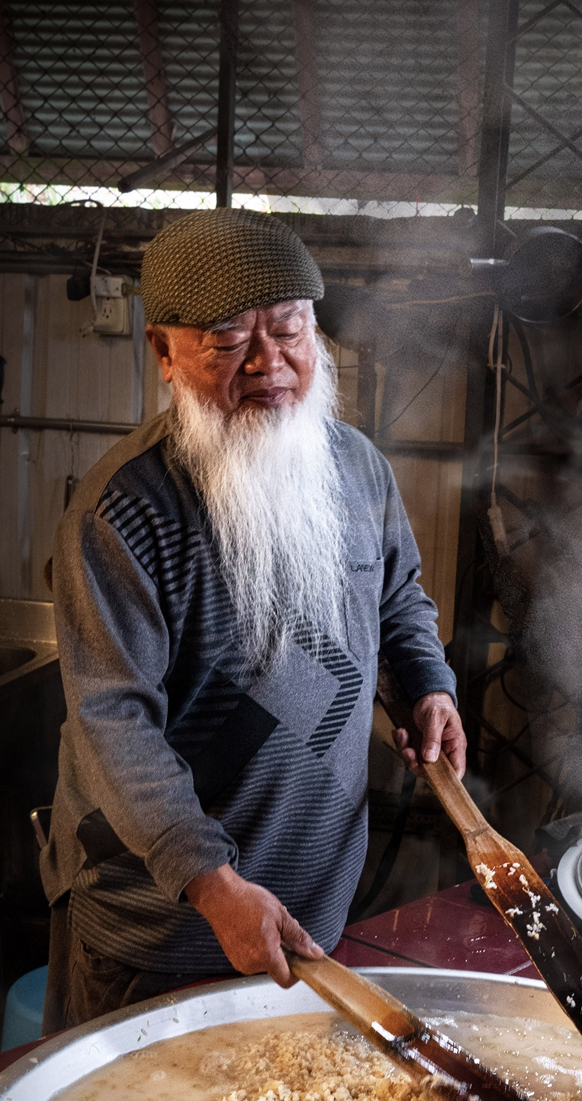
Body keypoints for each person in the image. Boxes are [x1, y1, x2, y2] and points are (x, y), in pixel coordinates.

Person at [39, 209, 463, 1028]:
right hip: (168, 932)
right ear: (164, 352)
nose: (272, 363)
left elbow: (398, 595)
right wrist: (212, 883)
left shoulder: (355, 466)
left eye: (291, 329)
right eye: (230, 340)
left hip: (314, 912)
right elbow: (112, 723)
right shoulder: (122, 514)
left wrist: (425, 685)